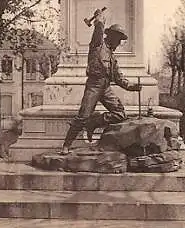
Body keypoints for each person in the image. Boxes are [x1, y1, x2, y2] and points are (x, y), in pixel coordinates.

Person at [60, 9, 141, 154]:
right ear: (111, 37)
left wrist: (133, 87)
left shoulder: (112, 57)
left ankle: (94, 122)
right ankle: (66, 145)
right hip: (94, 85)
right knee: (82, 116)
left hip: (105, 88)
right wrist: (99, 19)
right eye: (118, 40)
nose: (119, 43)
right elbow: (98, 30)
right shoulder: (97, 45)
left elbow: (119, 78)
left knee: (120, 114)